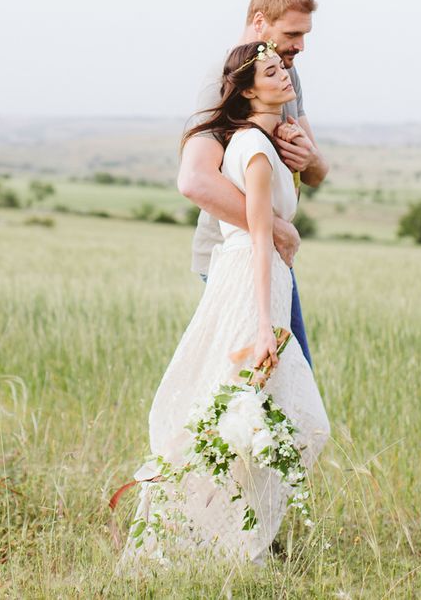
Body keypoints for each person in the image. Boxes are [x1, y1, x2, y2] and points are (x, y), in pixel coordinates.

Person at [123, 41, 330, 565]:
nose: (285, 74)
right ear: (246, 90)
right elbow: (260, 239)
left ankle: (233, 540)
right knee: (277, 417)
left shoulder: (259, 143)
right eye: (271, 70)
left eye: (283, 67)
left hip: (261, 280)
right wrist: (265, 326)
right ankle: (218, 536)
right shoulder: (254, 151)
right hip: (250, 284)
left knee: (249, 415)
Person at [178, 0, 329, 367]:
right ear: (260, 22)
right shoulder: (228, 78)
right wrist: (276, 229)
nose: (300, 46)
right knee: (264, 380)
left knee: (279, 380)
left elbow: (316, 171)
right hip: (237, 255)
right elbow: (194, 179)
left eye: (304, 34)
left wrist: (308, 159)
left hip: (271, 254)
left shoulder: (283, 73)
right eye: (292, 33)